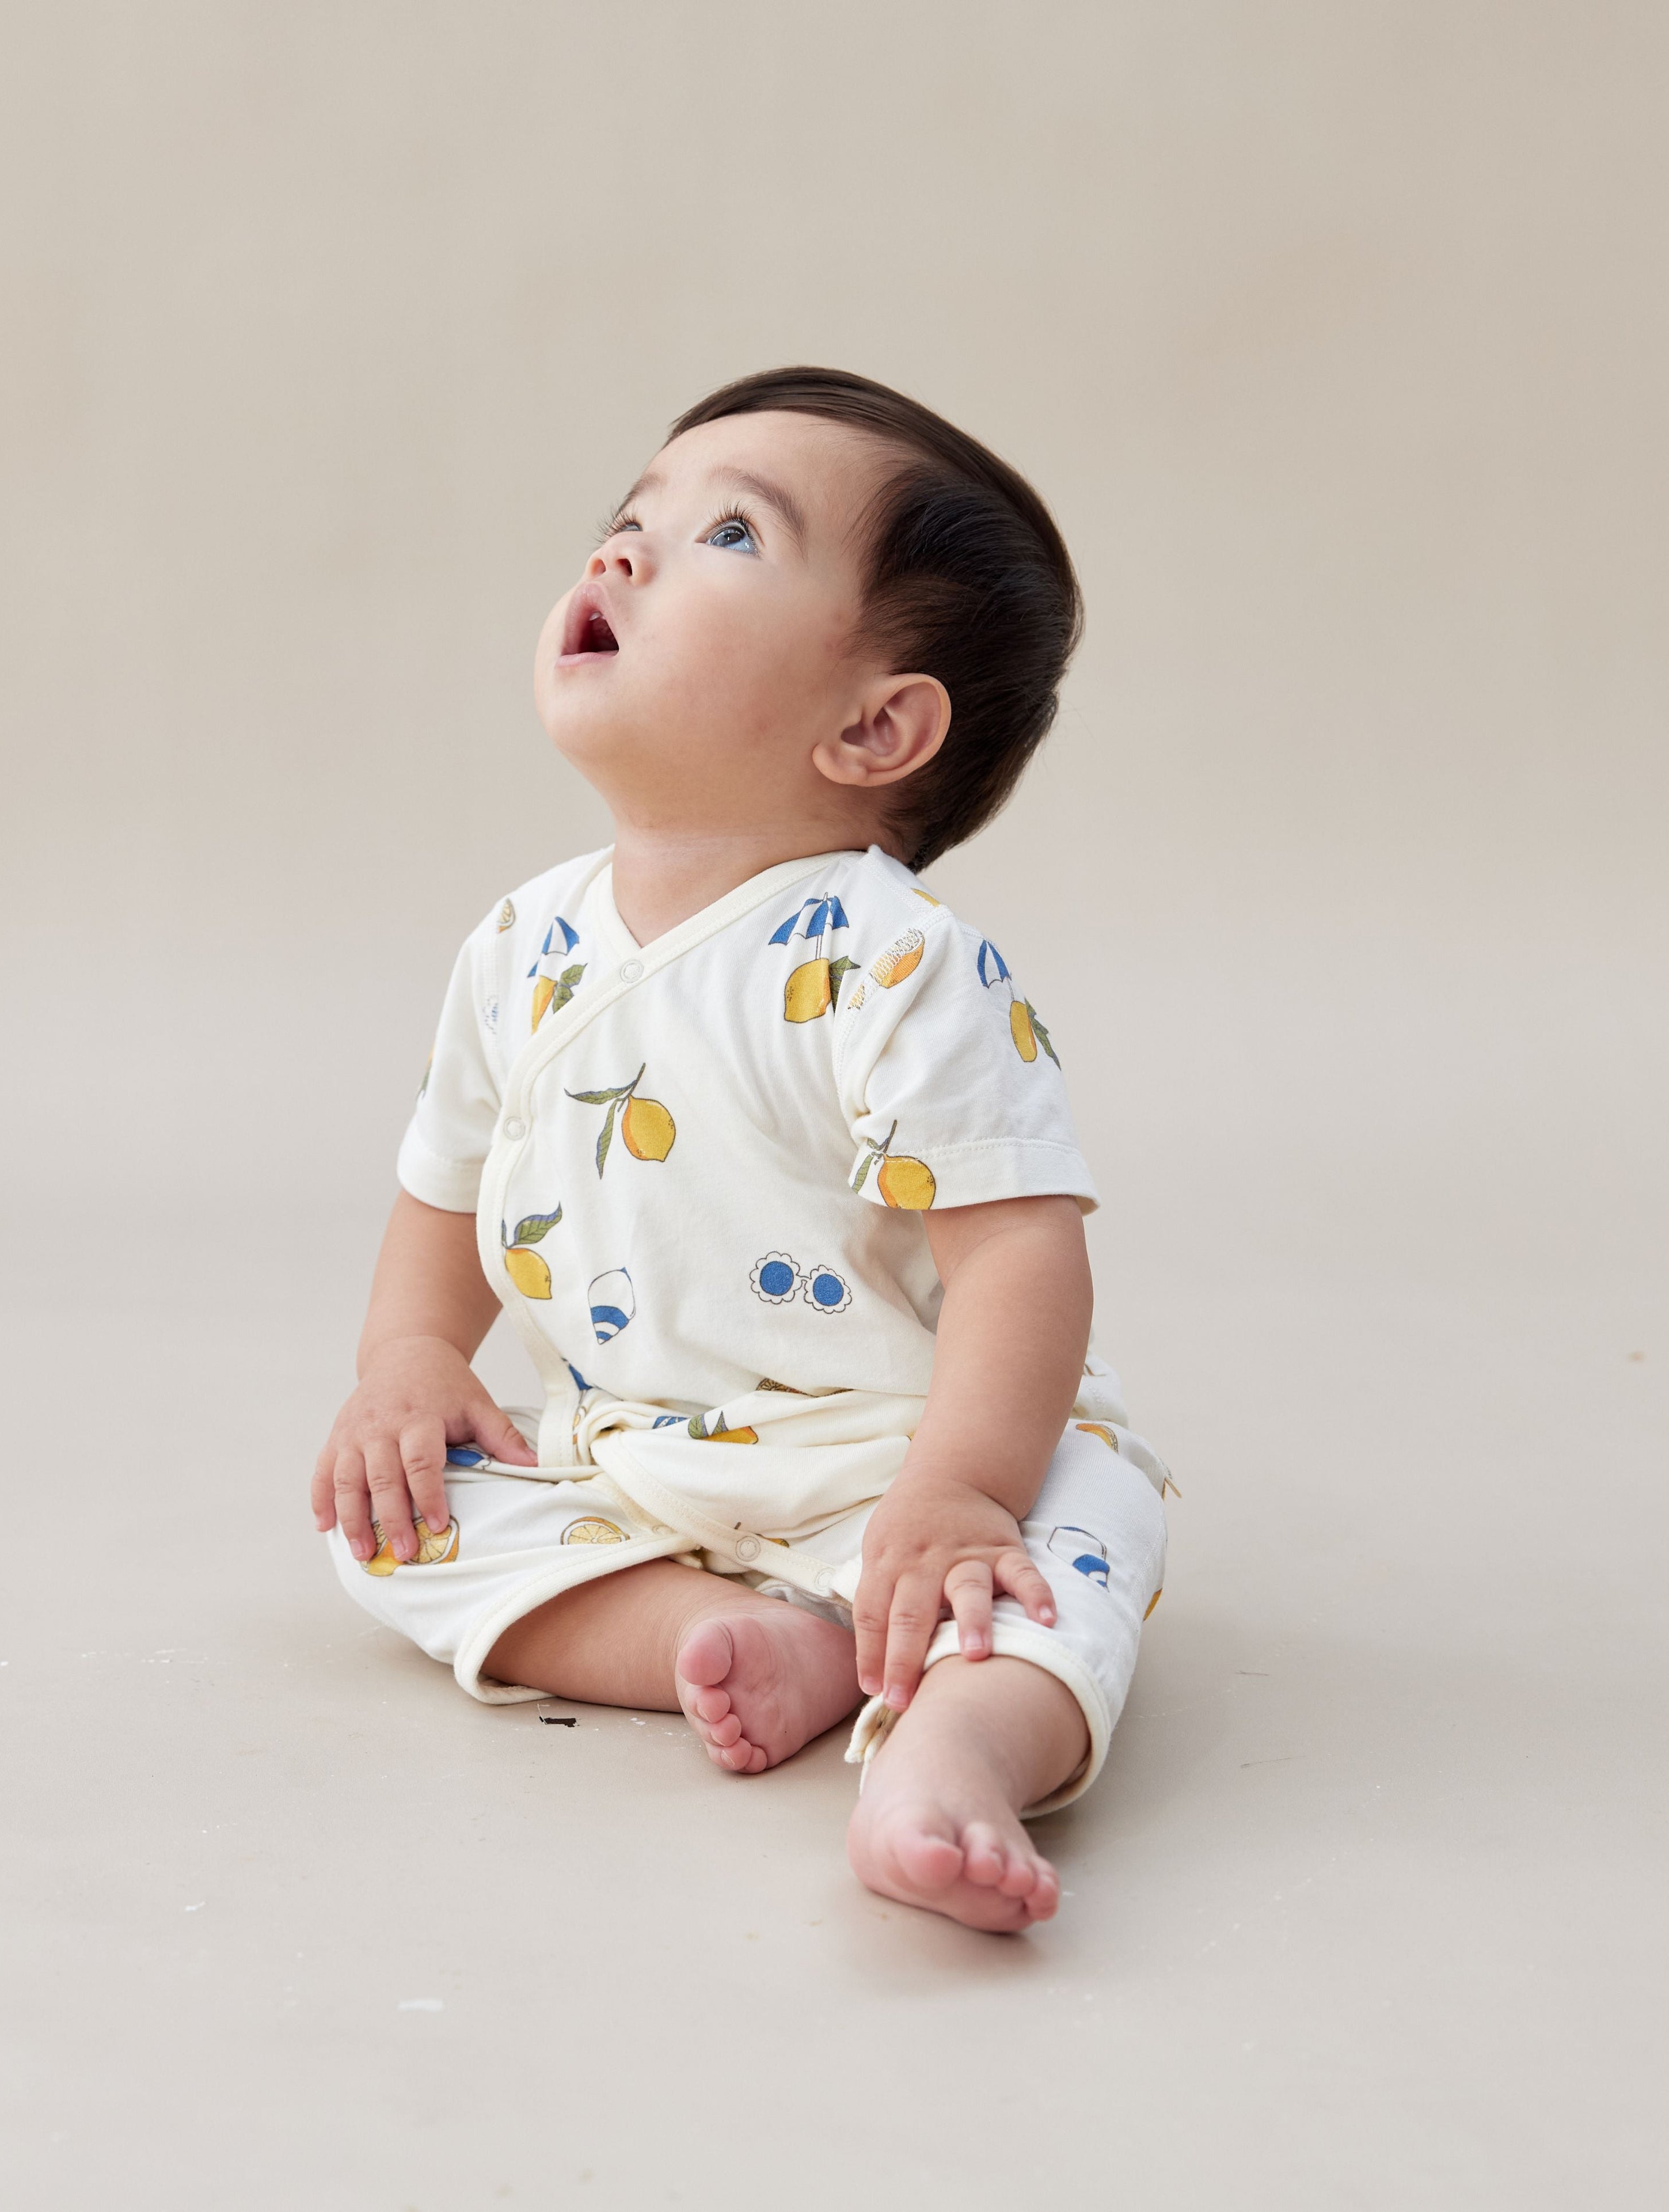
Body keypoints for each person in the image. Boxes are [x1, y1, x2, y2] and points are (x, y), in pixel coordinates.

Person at [310, 367, 1175, 1933]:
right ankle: (748, 1642)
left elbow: (1019, 1250)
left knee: (1080, 1543)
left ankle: (956, 1753)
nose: (620, 552)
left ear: (875, 725)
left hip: (905, 1457)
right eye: (627, 518)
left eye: (727, 533)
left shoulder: (896, 963)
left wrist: (962, 1488)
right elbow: (446, 1184)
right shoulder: (519, 944)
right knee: (394, 1533)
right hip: (640, 1460)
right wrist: (411, 1359)